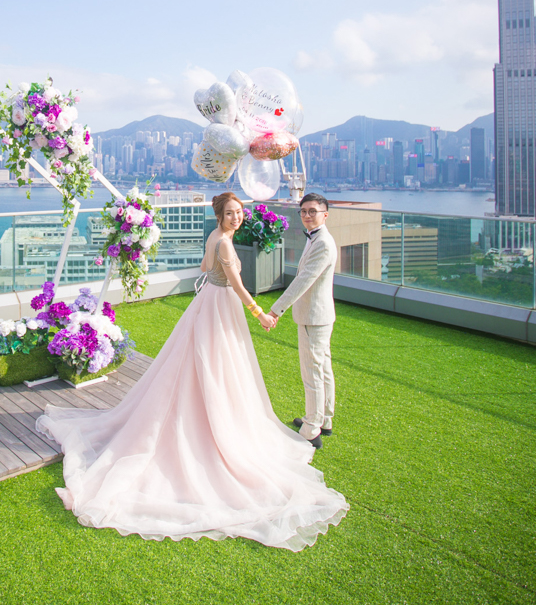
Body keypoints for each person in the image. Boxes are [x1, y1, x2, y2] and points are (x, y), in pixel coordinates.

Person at [35, 192, 348, 550]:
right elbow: (237, 285)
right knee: (218, 363)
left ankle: (307, 417)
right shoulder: (225, 243)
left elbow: (203, 268)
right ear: (220, 215)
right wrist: (261, 313)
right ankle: (217, 422)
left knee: (205, 362)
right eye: (230, 213)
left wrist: (219, 269)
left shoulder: (216, 237)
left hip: (209, 301)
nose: (236, 218)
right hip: (222, 305)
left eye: (239, 212)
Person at [266, 193, 337, 449]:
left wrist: (275, 310)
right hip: (319, 315)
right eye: (304, 211)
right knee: (322, 369)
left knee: (312, 373)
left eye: (312, 211)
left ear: (325, 215)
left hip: (314, 318)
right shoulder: (316, 238)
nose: (307, 215)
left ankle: (311, 428)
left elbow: (303, 280)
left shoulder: (323, 243)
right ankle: (324, 419)